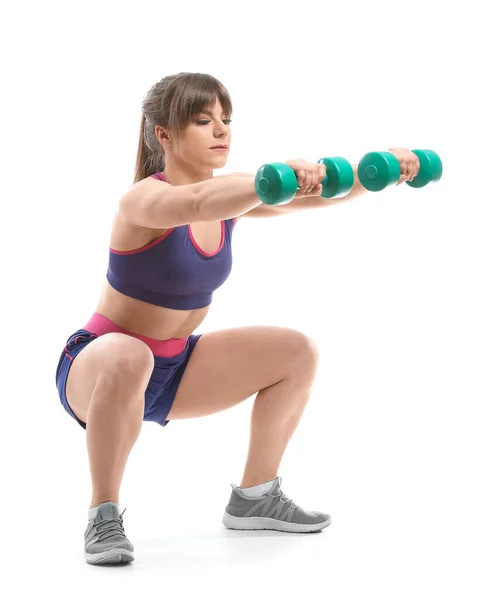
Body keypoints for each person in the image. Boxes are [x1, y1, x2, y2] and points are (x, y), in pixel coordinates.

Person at [55, 72, 420, 565]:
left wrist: (382, 170)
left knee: (296, 351)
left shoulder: (233, 194)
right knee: (129, 352)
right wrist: (273, 180)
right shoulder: (144, 199)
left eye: (226, 120)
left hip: (174, 369)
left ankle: (255, 496)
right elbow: (198, 201)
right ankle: (103, 514)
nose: (221, 131)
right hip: (98, 367)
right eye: (203, 121)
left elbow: (317, 192)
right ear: (164, 135)